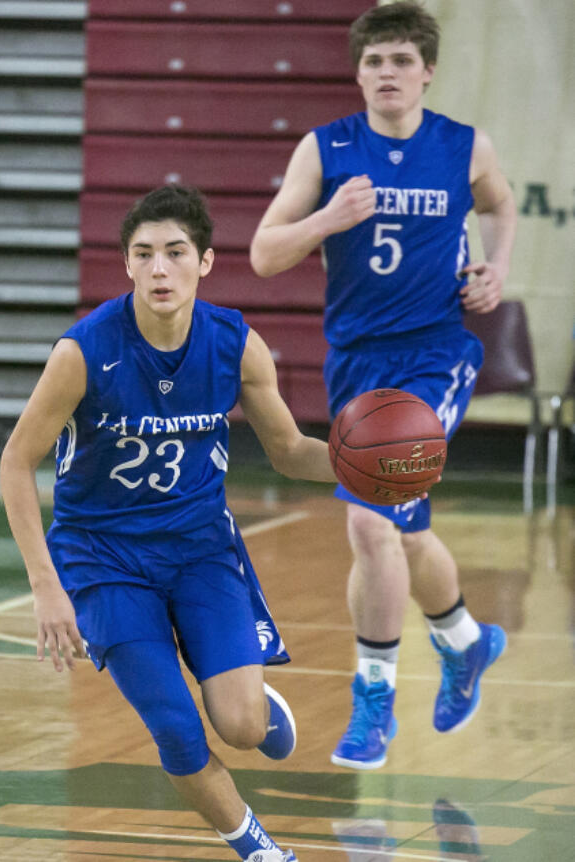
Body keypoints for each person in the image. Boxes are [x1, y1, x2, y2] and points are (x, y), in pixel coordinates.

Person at [1, 184, 339, 862]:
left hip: (199, 548)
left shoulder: (236, 345)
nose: (160, 269)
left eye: (175, 253)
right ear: (126, 265)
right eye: (144, 254)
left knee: (240, 727)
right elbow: (16, 462)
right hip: (104, 560)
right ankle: (261, 851)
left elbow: (291, 453)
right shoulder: (85, 351)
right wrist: (45, 586)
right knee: (178, 733)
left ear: (205, 262)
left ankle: (253, 703)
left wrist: (370, 469)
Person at [249, 0, 514, 770]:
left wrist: (495, 268)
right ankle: (466, 642)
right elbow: (266, 253)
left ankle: (374, 703)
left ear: (427, 70)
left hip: (438, 354)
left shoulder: (464, 146)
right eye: (373, 61)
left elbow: (499, 206)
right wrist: (327, 219)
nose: (386, 73)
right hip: (357, 363)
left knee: (369, 524)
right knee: (402, 527)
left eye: (401, 60)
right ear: (357, 73)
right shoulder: (325, 149)